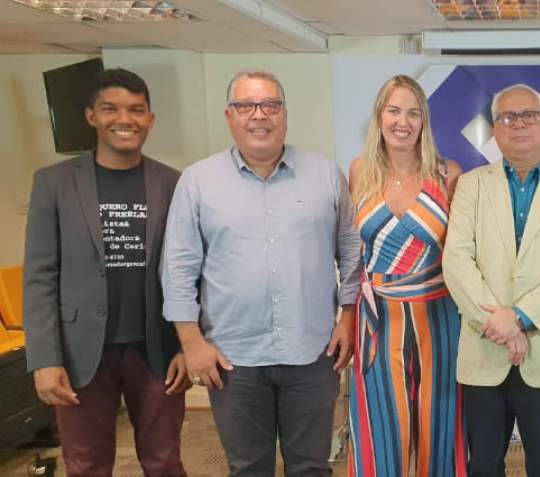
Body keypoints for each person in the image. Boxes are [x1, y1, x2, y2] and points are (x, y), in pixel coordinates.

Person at [160, 69, 362, 476]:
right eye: (246, 106)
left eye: (270, 105)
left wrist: (348, 316)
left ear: (284, 114)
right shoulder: (197, 182)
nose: (259, 115)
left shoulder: (325, 174)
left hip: (312, 352)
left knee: (311, 467)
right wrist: (191, 342)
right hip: (232, 359)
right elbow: (179, 266)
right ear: (229, 115)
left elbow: (350, 248)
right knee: (248, 468)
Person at [23, 67, 189, 477]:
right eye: (111, 108)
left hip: (157, 349)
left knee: (165, 463)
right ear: (91, 116)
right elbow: (40, 276)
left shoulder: (174, 183)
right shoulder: (54, 183)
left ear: (150, 118)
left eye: (136, 109)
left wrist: (188, 345)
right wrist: (44, 358)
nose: (124, 119)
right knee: (86, 466)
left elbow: (190, 270)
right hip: (78, 354)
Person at [443, 83, 540, 477]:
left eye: (529, 115)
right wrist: (497, 322)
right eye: (508, 117)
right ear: (495, 129)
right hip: (484, 349)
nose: (519, 124)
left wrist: (519, 318)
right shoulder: (471, 186)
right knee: (483, 465)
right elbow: (457, 259)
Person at [344, 74, 466, 477]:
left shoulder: (448, 174)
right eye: (394, 111)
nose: (403, 121)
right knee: (381, 426)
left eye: (413, 113)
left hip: (438, 315)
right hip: (377, 319)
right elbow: (353, 252)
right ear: (379, 116)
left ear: (424, 121)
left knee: (439, 424)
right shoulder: (359, 171)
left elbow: (462, 254)